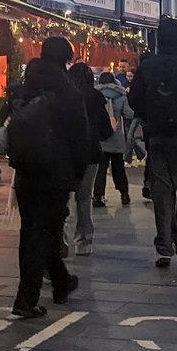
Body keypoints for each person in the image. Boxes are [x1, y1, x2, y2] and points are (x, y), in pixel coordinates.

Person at [3, 36, 90, 317]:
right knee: (44, 232)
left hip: (26, 170)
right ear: (66, 59)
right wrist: (77, 174)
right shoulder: (68, 93)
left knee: (34, 230)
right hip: (56, 172)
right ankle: (26, 298)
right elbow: (80, 138)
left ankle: (61, 281)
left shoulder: (23, 89)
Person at [128, 19, 177, 267]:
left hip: (156, 137)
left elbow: (134, 100)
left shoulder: (147, 67)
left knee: (162, 191)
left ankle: (164, 245)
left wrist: (149, 118)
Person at [69, 62, 115, 255]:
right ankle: (83, 242)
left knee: (65, 197)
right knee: (84, 197)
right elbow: (106, 129)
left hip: (67, 152)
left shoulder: (64, 95)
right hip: (90, 152)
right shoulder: (95, 97)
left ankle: (61, 238)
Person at [94, 71, 134, 207]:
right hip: (116, 137)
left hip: (101, 138)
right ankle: (124, 194)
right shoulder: (121, 96)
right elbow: (129, 114)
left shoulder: (95, 95)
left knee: (101, 169)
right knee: (118, 168)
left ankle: (98, 195)